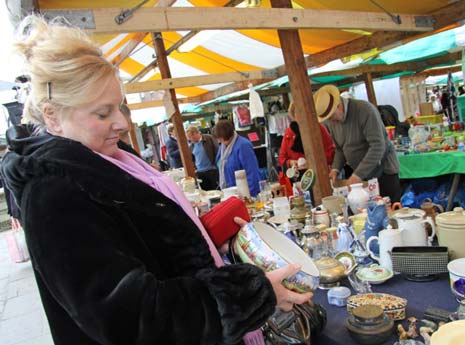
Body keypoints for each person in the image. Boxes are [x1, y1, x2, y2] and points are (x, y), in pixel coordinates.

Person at [1, 16, 312, 345]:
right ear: (52, 116)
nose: (121, 122)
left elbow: (152, 248)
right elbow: (132, 318)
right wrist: (250, 296)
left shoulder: (107, 159)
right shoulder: (53, 195)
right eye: (103, 113)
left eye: (120, 107)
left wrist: (214, 245)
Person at [313, 84, 402, 202]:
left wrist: (357, 175)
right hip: (363, 175)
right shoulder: (333, 121)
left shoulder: (365, 110)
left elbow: (377, 146)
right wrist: (335, 169)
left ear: (339, 106)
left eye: (331, 117)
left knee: (389, 210)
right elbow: (340, 148)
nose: (331, 122)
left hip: (384, 173)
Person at [278, 101, 335, 174]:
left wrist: (312, 163)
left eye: (302, 111)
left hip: (319, 174)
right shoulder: (289, 132)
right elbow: (281, 158)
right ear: (293, 115)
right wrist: (292, 162)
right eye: (297, 112)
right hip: (298, 176)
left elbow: (331, 153)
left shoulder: (319, 129)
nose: (300, 115)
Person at [213, 119, 261, 197]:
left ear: (227, 135)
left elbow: (252, 172)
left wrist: (249, 196)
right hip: (230, 192)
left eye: (220, 138)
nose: (219, 141)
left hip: (245, 193)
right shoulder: (223, 147)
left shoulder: (243, 145)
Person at [186, 125, 219, 190]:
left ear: (195, 133)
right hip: (200, 173)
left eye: (190, 137)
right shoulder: (191, 146)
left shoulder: (209, 138)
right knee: (206, 192)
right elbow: (192, 159)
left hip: (212, 170)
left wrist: (216, 165)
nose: (189, 139)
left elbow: (217, 151)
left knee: (217, 190)